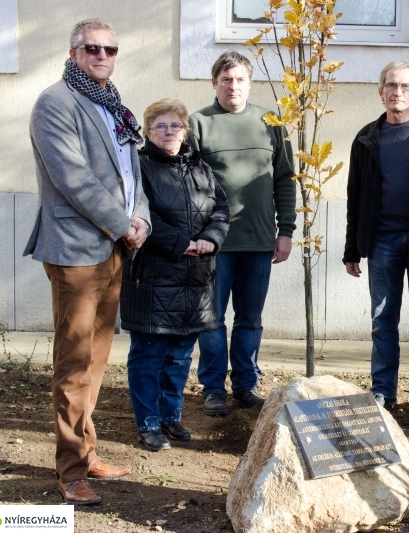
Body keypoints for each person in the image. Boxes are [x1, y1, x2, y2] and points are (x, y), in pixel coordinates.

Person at [24, 18, 150, 504]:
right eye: (92, 48)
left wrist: (139, 220)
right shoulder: (55, 103)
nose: (102, 55)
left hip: (115, 247)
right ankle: (71, 469)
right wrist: (123, 223)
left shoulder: (112, 104)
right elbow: (74, 179)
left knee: (97, 360)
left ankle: (87, 450)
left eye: (110, 49)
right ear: (74, 53)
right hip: (76, 251)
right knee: (75, 362)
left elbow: (131, 172)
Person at [189, 51, 296, 416]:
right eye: (225, 79)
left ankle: (246, 385)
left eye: (239, 79)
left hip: (258, 240)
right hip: (214, 243)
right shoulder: (198, 123)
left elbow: (284, 179)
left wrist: (286, 231)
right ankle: (213, 388)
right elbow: (186, 183)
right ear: (214, 82)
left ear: (249, 83)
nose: (232, 86)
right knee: (213, 319)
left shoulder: (271, 123)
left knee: (250, 319)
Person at [121, 99, 229, 451]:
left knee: (181, 354)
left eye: (175, 126)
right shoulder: (139, 168)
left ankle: (171, 416)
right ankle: (148, 421)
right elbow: (140, 214)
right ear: (148, 132)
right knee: (149, 354)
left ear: (186, 130)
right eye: (160, 126)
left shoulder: (202, 167)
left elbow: (222, 210)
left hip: (196, 276)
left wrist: (209, 240)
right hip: (154, 275)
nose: (168, 132)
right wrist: (182, 243)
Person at [343, 62, 409, 417]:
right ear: (380, 90)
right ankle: (383, 391)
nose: (396, 92)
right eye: (390, 85)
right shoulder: (366, 137)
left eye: (404, 86)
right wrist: (352, 248)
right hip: (382, 240)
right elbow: (355, 195)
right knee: (382, 318)